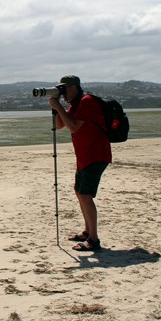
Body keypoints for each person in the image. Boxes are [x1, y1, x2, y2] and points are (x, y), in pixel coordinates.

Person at [48, 75, 112, 251]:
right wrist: (57, 107)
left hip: (96, 155)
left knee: (85, 195)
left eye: (64, 88)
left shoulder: (87, 101)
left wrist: (59, 107)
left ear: (74, 87)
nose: (62, 92)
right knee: (79, 192)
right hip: (84, 156)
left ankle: (94, 239)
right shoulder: (75, 104)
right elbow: (59, 125)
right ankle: (87, 231)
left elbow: (74, 127)